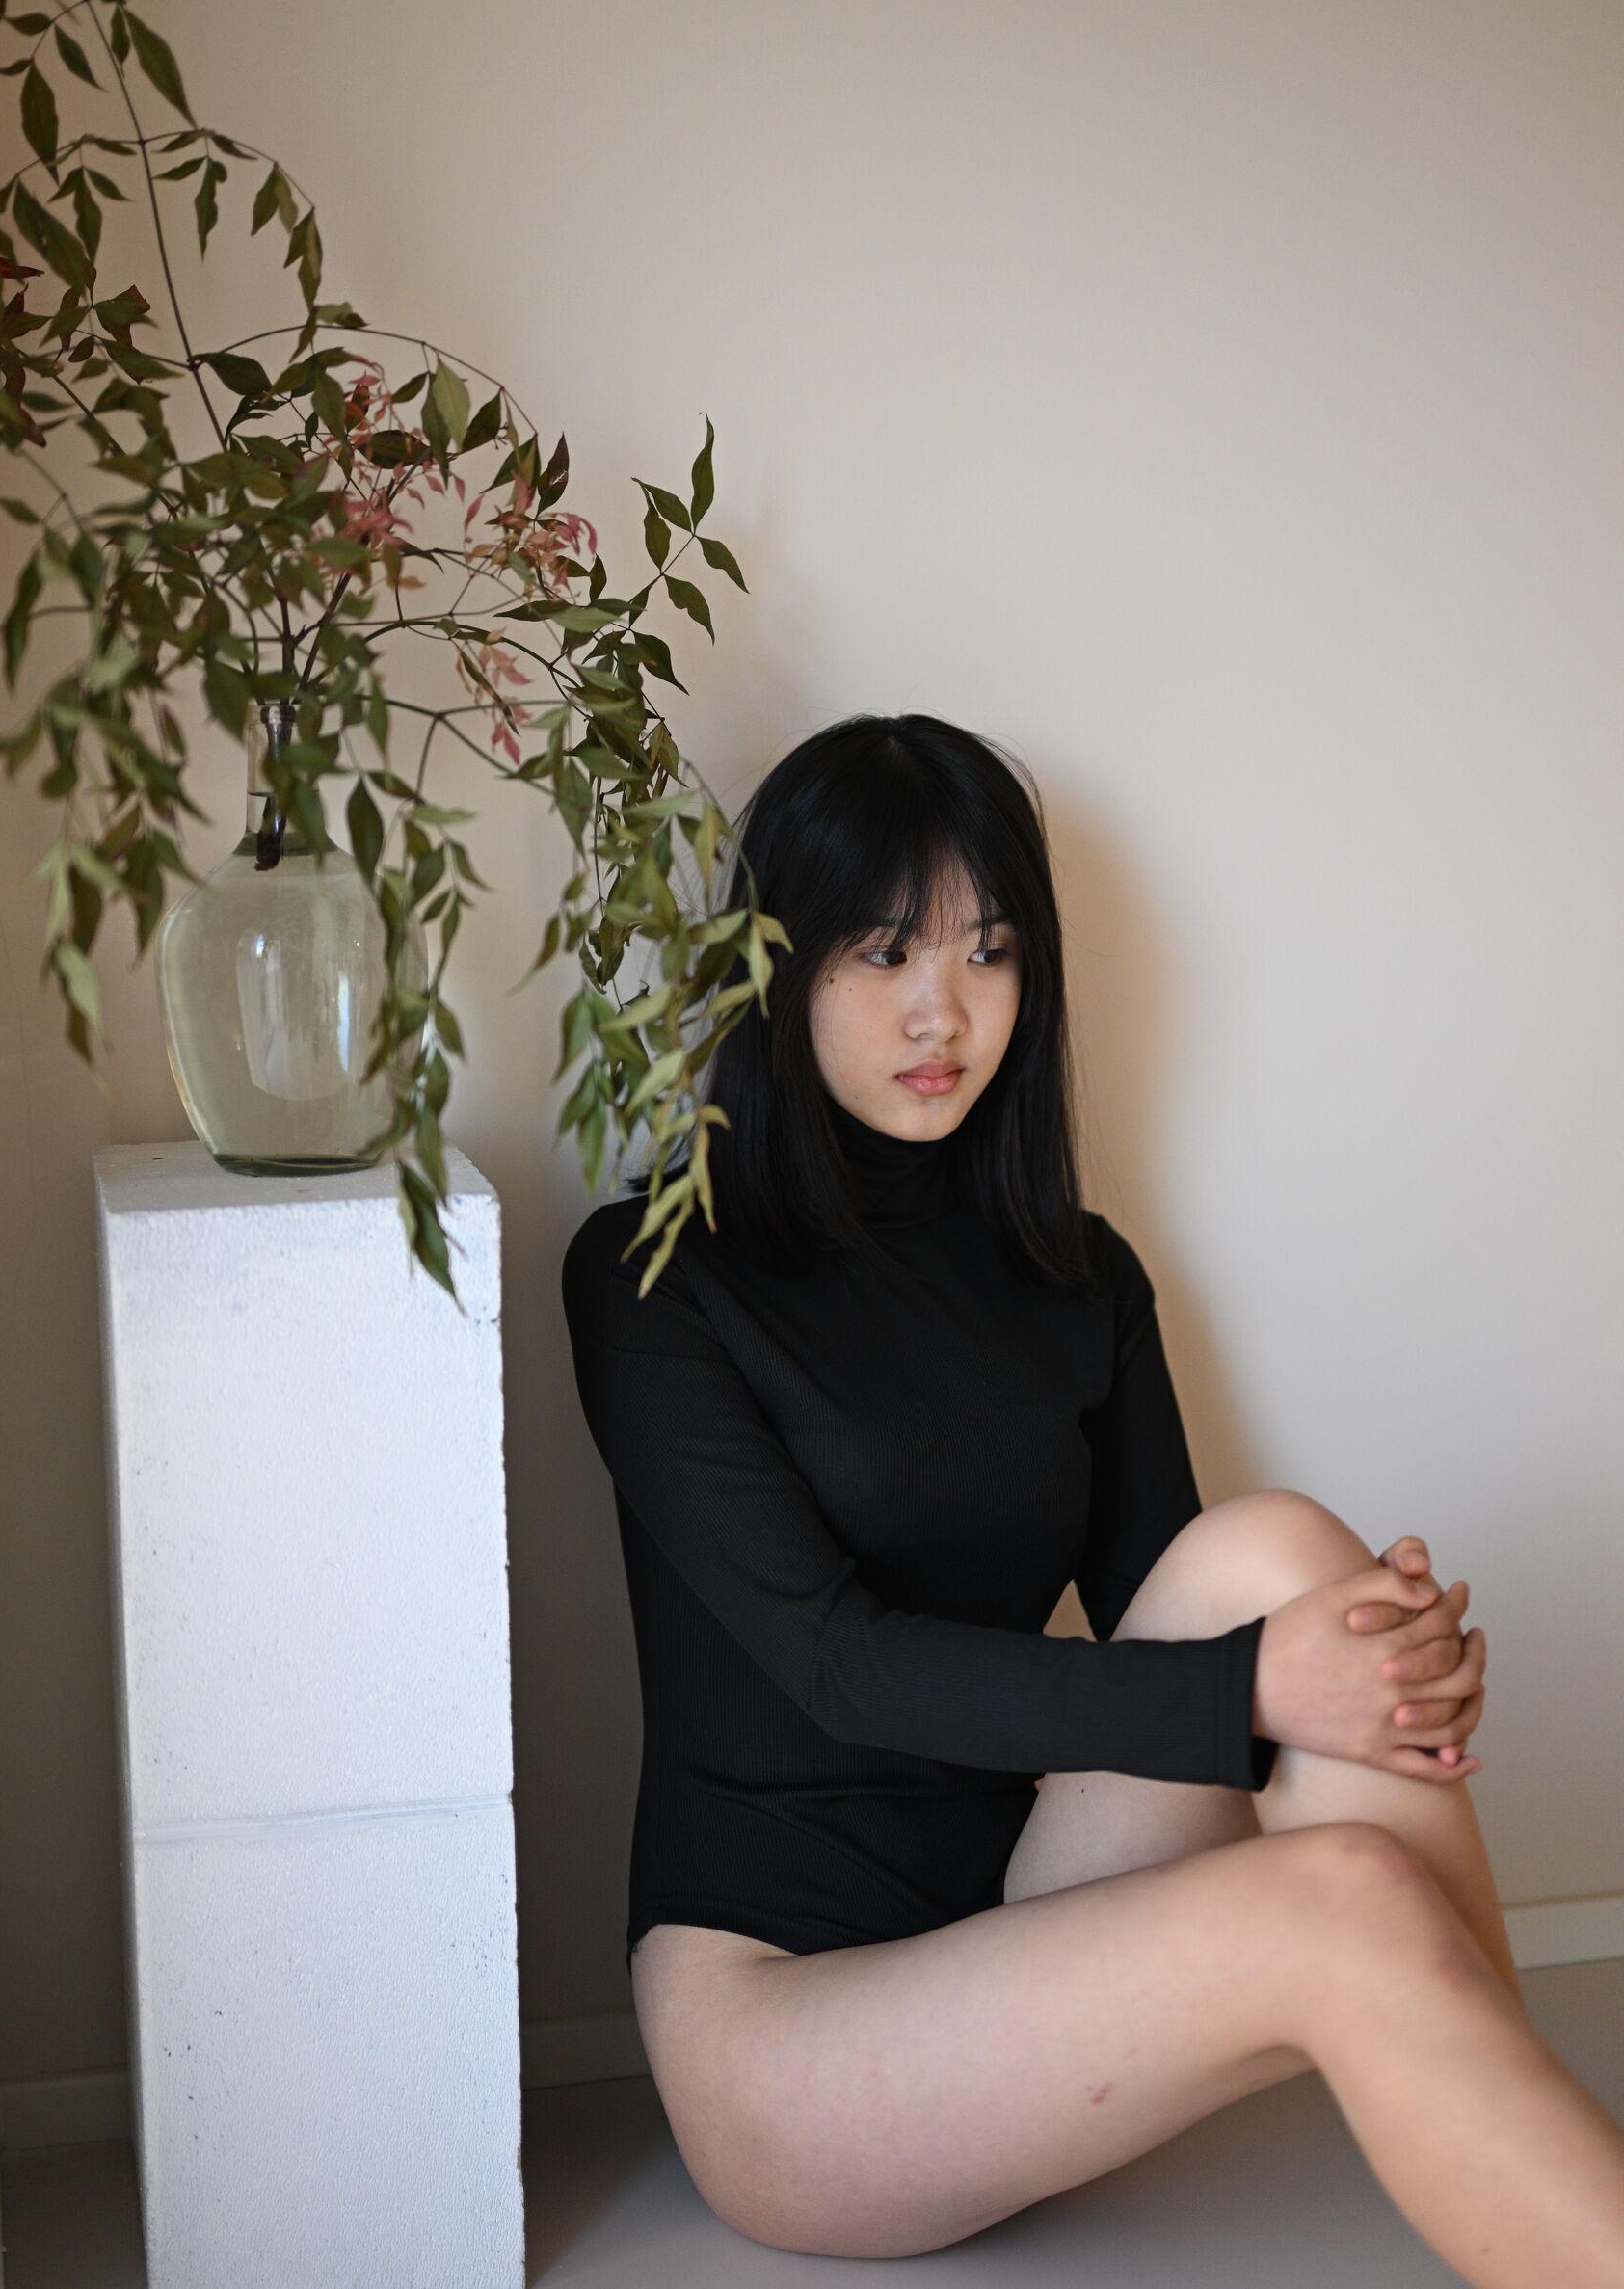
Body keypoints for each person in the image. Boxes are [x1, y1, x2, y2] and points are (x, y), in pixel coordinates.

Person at [560, 712, 1624, 2282]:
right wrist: (1265, 1686)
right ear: (776, 968)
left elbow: (1159, 1626)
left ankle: (1532, 2165)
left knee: (1284, 1553)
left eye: (988, 953)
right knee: (1342, 1882)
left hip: (1030, 1921)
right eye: (884, 953)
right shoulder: (655, 1273)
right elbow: (840, 1666)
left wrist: (1357, 1671)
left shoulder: (1078, 1274)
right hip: (788, 2024)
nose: (944, 1011)